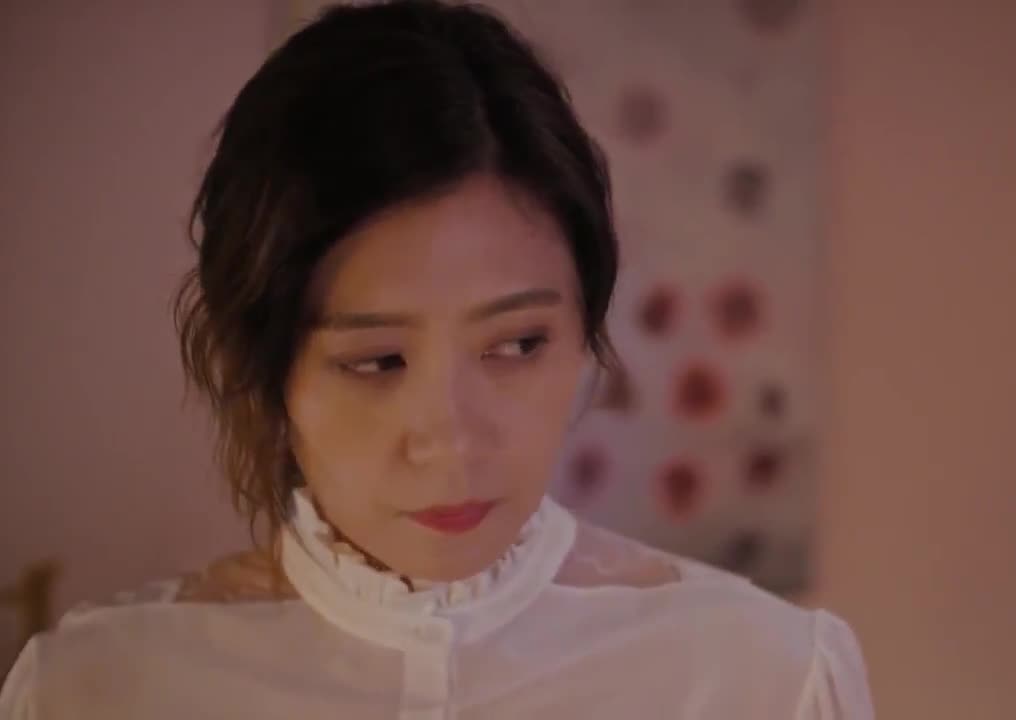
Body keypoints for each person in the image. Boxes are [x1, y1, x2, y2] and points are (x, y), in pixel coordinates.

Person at [0, 1, 873, 717]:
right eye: (378, 361)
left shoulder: (763, 677)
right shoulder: (100, 689)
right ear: (264, 368)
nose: (452, 441)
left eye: (518, 345)